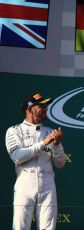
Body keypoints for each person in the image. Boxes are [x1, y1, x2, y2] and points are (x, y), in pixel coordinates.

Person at [5, 92, 66, 230]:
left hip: (48, 183)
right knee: (21, 227)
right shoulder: (14, 131)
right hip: (25, 182)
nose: (45, 108)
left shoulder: (50, 132)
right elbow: (17, 157)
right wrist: (43, 143)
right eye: (41, 105)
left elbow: (60, 163)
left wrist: (56, 144)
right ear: (29, 108)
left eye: (46, 105)